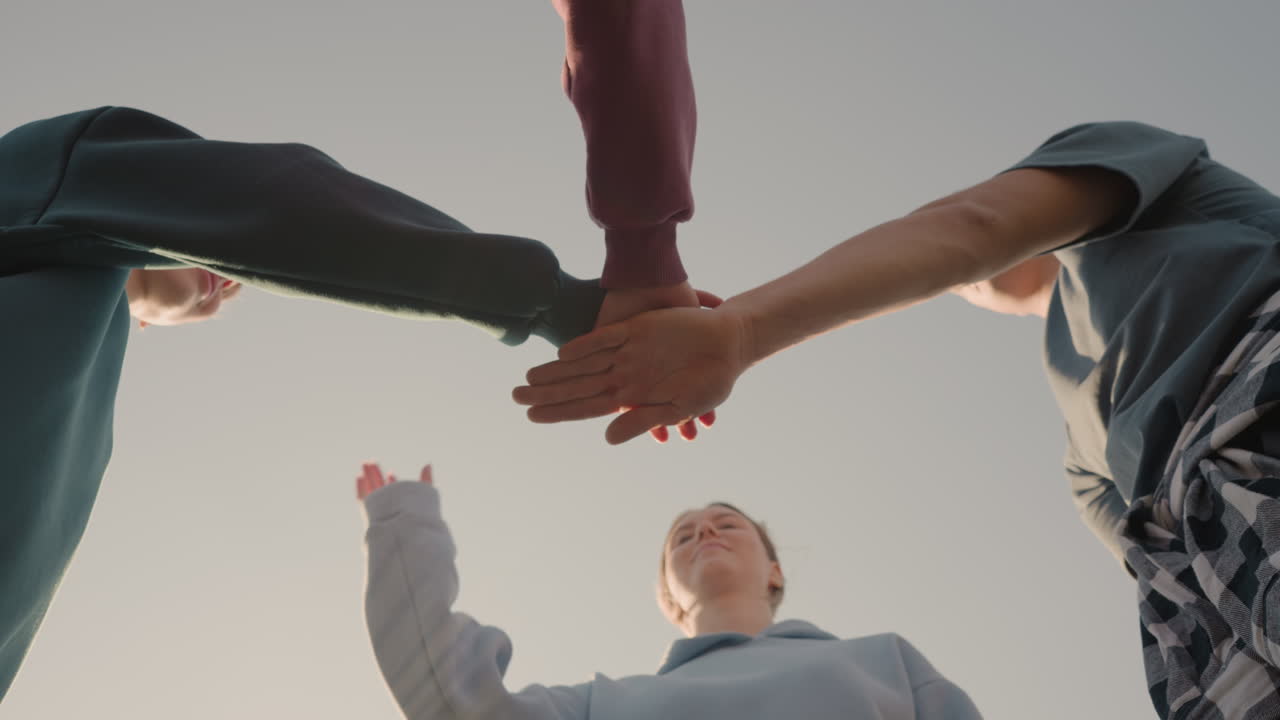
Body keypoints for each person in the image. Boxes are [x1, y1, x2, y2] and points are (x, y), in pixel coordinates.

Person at [0, 0, 705, 699]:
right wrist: (572, 305)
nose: (230, 284)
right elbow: (276, 209)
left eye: (233, 288)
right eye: (230, 272)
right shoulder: (37, 176)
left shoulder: (75, 384)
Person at [514, 121, 1280, 717]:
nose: (959, 279)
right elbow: (1161, 566)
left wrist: (737, 332)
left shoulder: (1127, 166)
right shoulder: (1084, 454)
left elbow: (971, 227)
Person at [356, 462, 982, 718]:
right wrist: (404, 527)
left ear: (774, 570)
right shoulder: (602, 706)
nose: (705, 529)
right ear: (669, 597)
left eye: (726, 524)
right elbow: (452, 698)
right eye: (684, 535)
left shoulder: (886, 661)